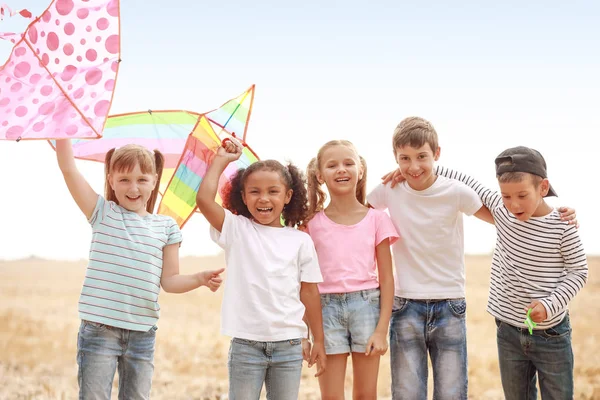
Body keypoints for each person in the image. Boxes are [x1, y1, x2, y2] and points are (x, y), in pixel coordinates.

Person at [55, 139, 224, 400]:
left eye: (142, 179)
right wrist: (64, 131)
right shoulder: (103, 213)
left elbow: (170, 281)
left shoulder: (166, 227)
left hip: (142, 333)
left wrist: (199, 278)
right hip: (100, 330)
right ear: (111, 180)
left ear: (154, 180)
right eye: (124, 180)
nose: (133, 187)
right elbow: (68, 169)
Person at [433, 146, 588, 399]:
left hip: (551, 334)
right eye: (506, 196)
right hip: (508, 331)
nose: (513, 205)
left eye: (522, 195)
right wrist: (417, 170)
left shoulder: (563, 227)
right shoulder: (501, 209)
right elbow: (464, 180)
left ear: (543, 187)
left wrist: (549, 305)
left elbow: (579, 271)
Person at [367, 117, 494, 400]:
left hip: (450, 304)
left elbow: (501, 217)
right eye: (405, 159)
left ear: (437, 154)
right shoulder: (389, 189)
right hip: (404, 305)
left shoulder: (456, 191)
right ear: (395, 158)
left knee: (451, 393)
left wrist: (551, 214)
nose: (413, 166)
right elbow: (355, 214)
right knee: (406, 393)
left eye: (422, 156)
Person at [195, 139, 326, 400]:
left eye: (273, 191)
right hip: (246, 345)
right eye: (254, 191)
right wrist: (221, 160)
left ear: (288, 196)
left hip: (289, 345)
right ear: (243, 197)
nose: (263, 198)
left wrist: (318, 340)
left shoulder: (300, 241)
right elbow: (204, 199)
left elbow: (309, 293)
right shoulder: (237, 229)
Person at [303, 140, 398, 399]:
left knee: (366, 395)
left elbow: (387, 279)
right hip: (325, 312)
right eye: (332, 165)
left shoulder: (377, 218)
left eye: (348, 163)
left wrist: (381, 330)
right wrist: (305, 330)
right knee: (331, 396)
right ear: (320, 175)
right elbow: (303, 283)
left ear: (361, 170)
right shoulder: (310, 224)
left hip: (367, 307)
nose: (341, 169)